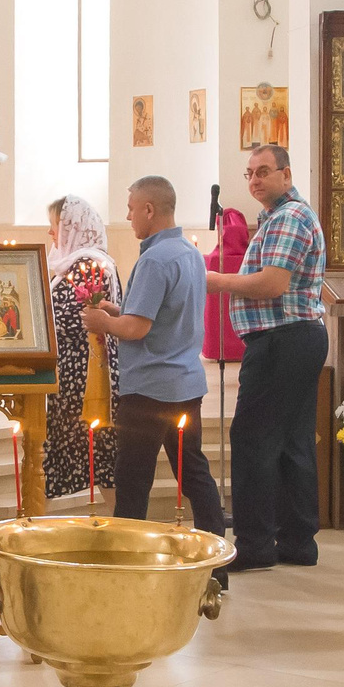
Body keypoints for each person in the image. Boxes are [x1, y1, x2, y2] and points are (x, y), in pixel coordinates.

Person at [84, 176, 225, 545]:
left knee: (133, 479)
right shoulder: (189, 252)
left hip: (148, 390)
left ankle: (130, 559)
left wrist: (103, 322)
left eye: (131, 209)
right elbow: (162, 315)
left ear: (149, 209)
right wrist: (117, 310)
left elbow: (137, 328)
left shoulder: (155, 260)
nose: (129, 217)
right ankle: (218, 559)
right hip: (186, 382)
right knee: (193, 472)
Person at [208, 144, 329, 571]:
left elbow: (274, 284)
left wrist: (217, 281)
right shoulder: (276, 217)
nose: (255, 180)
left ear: (286, 174)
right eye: (250, 173)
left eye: (263, 171)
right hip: (291, 339)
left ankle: (256, 543)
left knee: (253, 438)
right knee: (291, 441)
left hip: (283, 339)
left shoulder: (290, 217)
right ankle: (296, 540)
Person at [43, 194, 121, 504]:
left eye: (55, 226)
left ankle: (121, 524)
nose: (51, 233)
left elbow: (72, 319)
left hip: (84, 380)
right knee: (97, 457)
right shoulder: (79, 263)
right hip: (75, 376)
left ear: (73, 227)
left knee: (100, 457)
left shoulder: (88, 266)